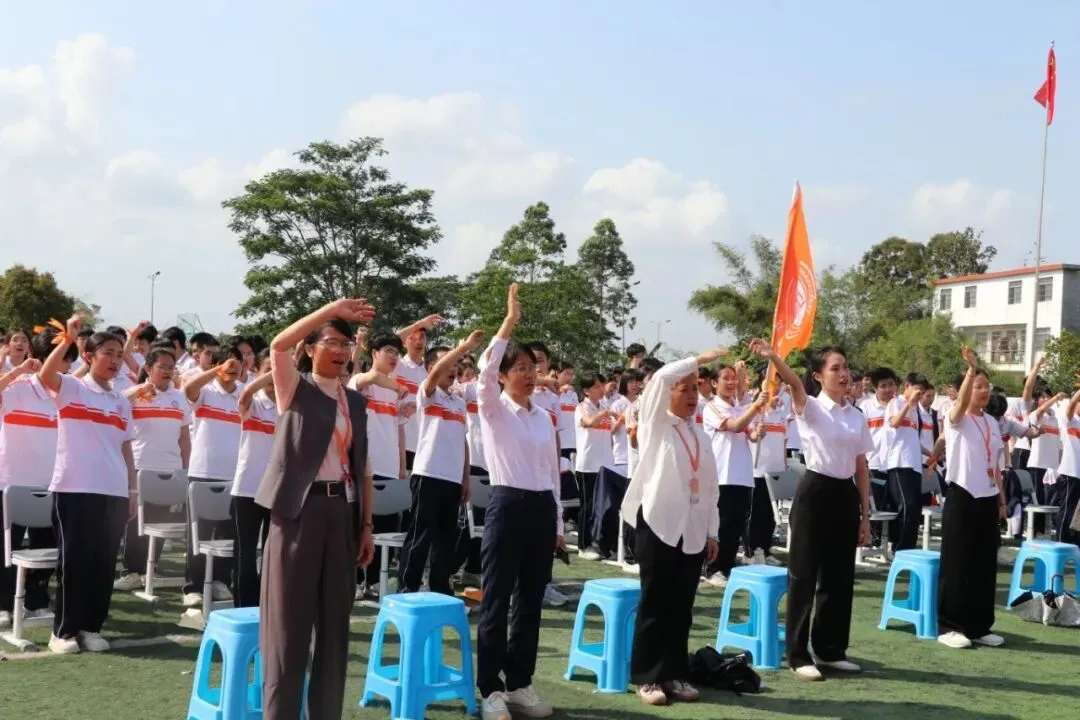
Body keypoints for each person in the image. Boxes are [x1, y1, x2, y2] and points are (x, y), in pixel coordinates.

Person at [254, 298, 376, 719]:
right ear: (311, 348)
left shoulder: (355, 402)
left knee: (334, 631)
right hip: (297, 514)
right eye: (331, 342)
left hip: (341, 514)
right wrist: (331, 309)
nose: (341, 352)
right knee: (288, 631)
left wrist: (366, 526)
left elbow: (362, 467)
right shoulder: (294, 386)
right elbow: (278, 344)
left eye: (346, 344)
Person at [749, 339, 871, 681]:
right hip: (815, 492)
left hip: (845, 494)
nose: (844, 373)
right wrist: (774, 356)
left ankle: (831, 649)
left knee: (839, 576)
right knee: (803, 575)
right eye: (835, 368)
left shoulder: (856, 416)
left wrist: (865, 513)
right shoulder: (811, 407)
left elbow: (861, 466)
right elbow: (794, 383)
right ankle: (798, 654)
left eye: (845, 367)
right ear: (819, 376)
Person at [475, 284, 564, 720]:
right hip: (507, 506)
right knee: (495, 600)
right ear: (505, 375)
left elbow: (551, 474)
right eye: (521, 368)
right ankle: (489, 688)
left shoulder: (544, 418)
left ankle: (520, 682)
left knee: (530, 601)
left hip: (541, 510)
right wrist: (508, 324)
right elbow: (483, 368)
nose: (530, 375)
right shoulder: (493, 409)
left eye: (534, 368)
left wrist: (559, 527)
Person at [621, 346, 724, 706]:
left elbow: (712, 489)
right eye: (686, 389)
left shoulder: (702, 436)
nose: (693, 396)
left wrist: (713, 531)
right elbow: (661, 378)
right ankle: (649, 677)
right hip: (659, 526)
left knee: (682, 606)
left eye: (697, 389)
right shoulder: (655, 424)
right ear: (669, 394)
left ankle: (676, 673)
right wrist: (700, 360)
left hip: (693, 530)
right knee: (655, 604)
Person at [39, 317, 137, 654]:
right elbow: (45, 376)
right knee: (74, 561)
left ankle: (91, 626)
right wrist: (68, 336)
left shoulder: (122, 402)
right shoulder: (72, 388)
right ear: (89, 356)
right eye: (108, 352)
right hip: (74, 488)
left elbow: (126, 449)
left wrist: (132, 492)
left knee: (102, 563)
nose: (114, 360)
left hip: (112, 491)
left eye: (120, 355)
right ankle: (63, 632)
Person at [936, 348, 1008, 649]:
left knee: (983, 563)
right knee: (958, 563)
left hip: (987, 497)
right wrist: (970, 370)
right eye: (978, 386)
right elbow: (961, 402)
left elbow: (996, 466)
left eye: (986, 386)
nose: (984, 391)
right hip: (962, 494)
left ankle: (979, 625)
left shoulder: (992, 423)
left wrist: (1002, 502)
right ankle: (950, 626)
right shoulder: (955, 416)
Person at [0, 331, 71, 627]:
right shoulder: (18, 388)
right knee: (7, 547)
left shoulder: (68, 392)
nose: (65, 369)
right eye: (60, 362)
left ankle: (36, 600)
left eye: (68, 362)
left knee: (47, 546)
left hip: (50, 482)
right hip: (11, 482)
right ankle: (3, 604)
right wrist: (16, 371)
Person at [114, 347, 191, 591]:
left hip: (170, 468)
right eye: (163, 367)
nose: (168, 371)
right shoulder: (134, 394)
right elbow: (115, 404)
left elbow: (185, 437)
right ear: (148, 368)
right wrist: (138, 390)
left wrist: (186, 469)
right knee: (135, 523)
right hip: (140, 465)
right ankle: (132, 571)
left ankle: (150, 568)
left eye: (171, 367)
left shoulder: (179, 398)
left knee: (161, 522)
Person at [702, 364, 767, 587]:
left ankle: (726, 567)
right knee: (720, 524)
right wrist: (756, 406)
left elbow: (750, 434)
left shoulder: (739, 407)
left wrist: (758, 432)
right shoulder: (712, 408)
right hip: (721, 474)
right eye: (726, 379)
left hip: (742, 475)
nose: (731, 383)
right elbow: (736, 426)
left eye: (734, 379)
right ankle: (711, 569)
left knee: (736, 524)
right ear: (714, 383)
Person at [231, 349, 277, 607]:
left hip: (277, 491)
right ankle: (244, 607)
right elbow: (246, 393)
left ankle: (268, 605)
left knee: (273, 554)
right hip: (247, 489)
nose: (273, 376)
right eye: (267, 369)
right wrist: (273, 372)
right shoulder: (252, 401)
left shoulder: (290, 406)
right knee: (245, 554)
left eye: (278, 370)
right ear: (257, 373)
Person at [884, 374, 931, 551]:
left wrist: (931, 453)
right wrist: (908, 403)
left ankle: (909, 546)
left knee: (914, 507)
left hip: (914, 464)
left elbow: (913, 439)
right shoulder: (895, 403)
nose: (919, 396)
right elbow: (894, 423)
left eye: (922, 393)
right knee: (906, 505)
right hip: (899, 462)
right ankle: (898, 547)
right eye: (918, 391)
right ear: (907, 386)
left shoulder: (916, 410)